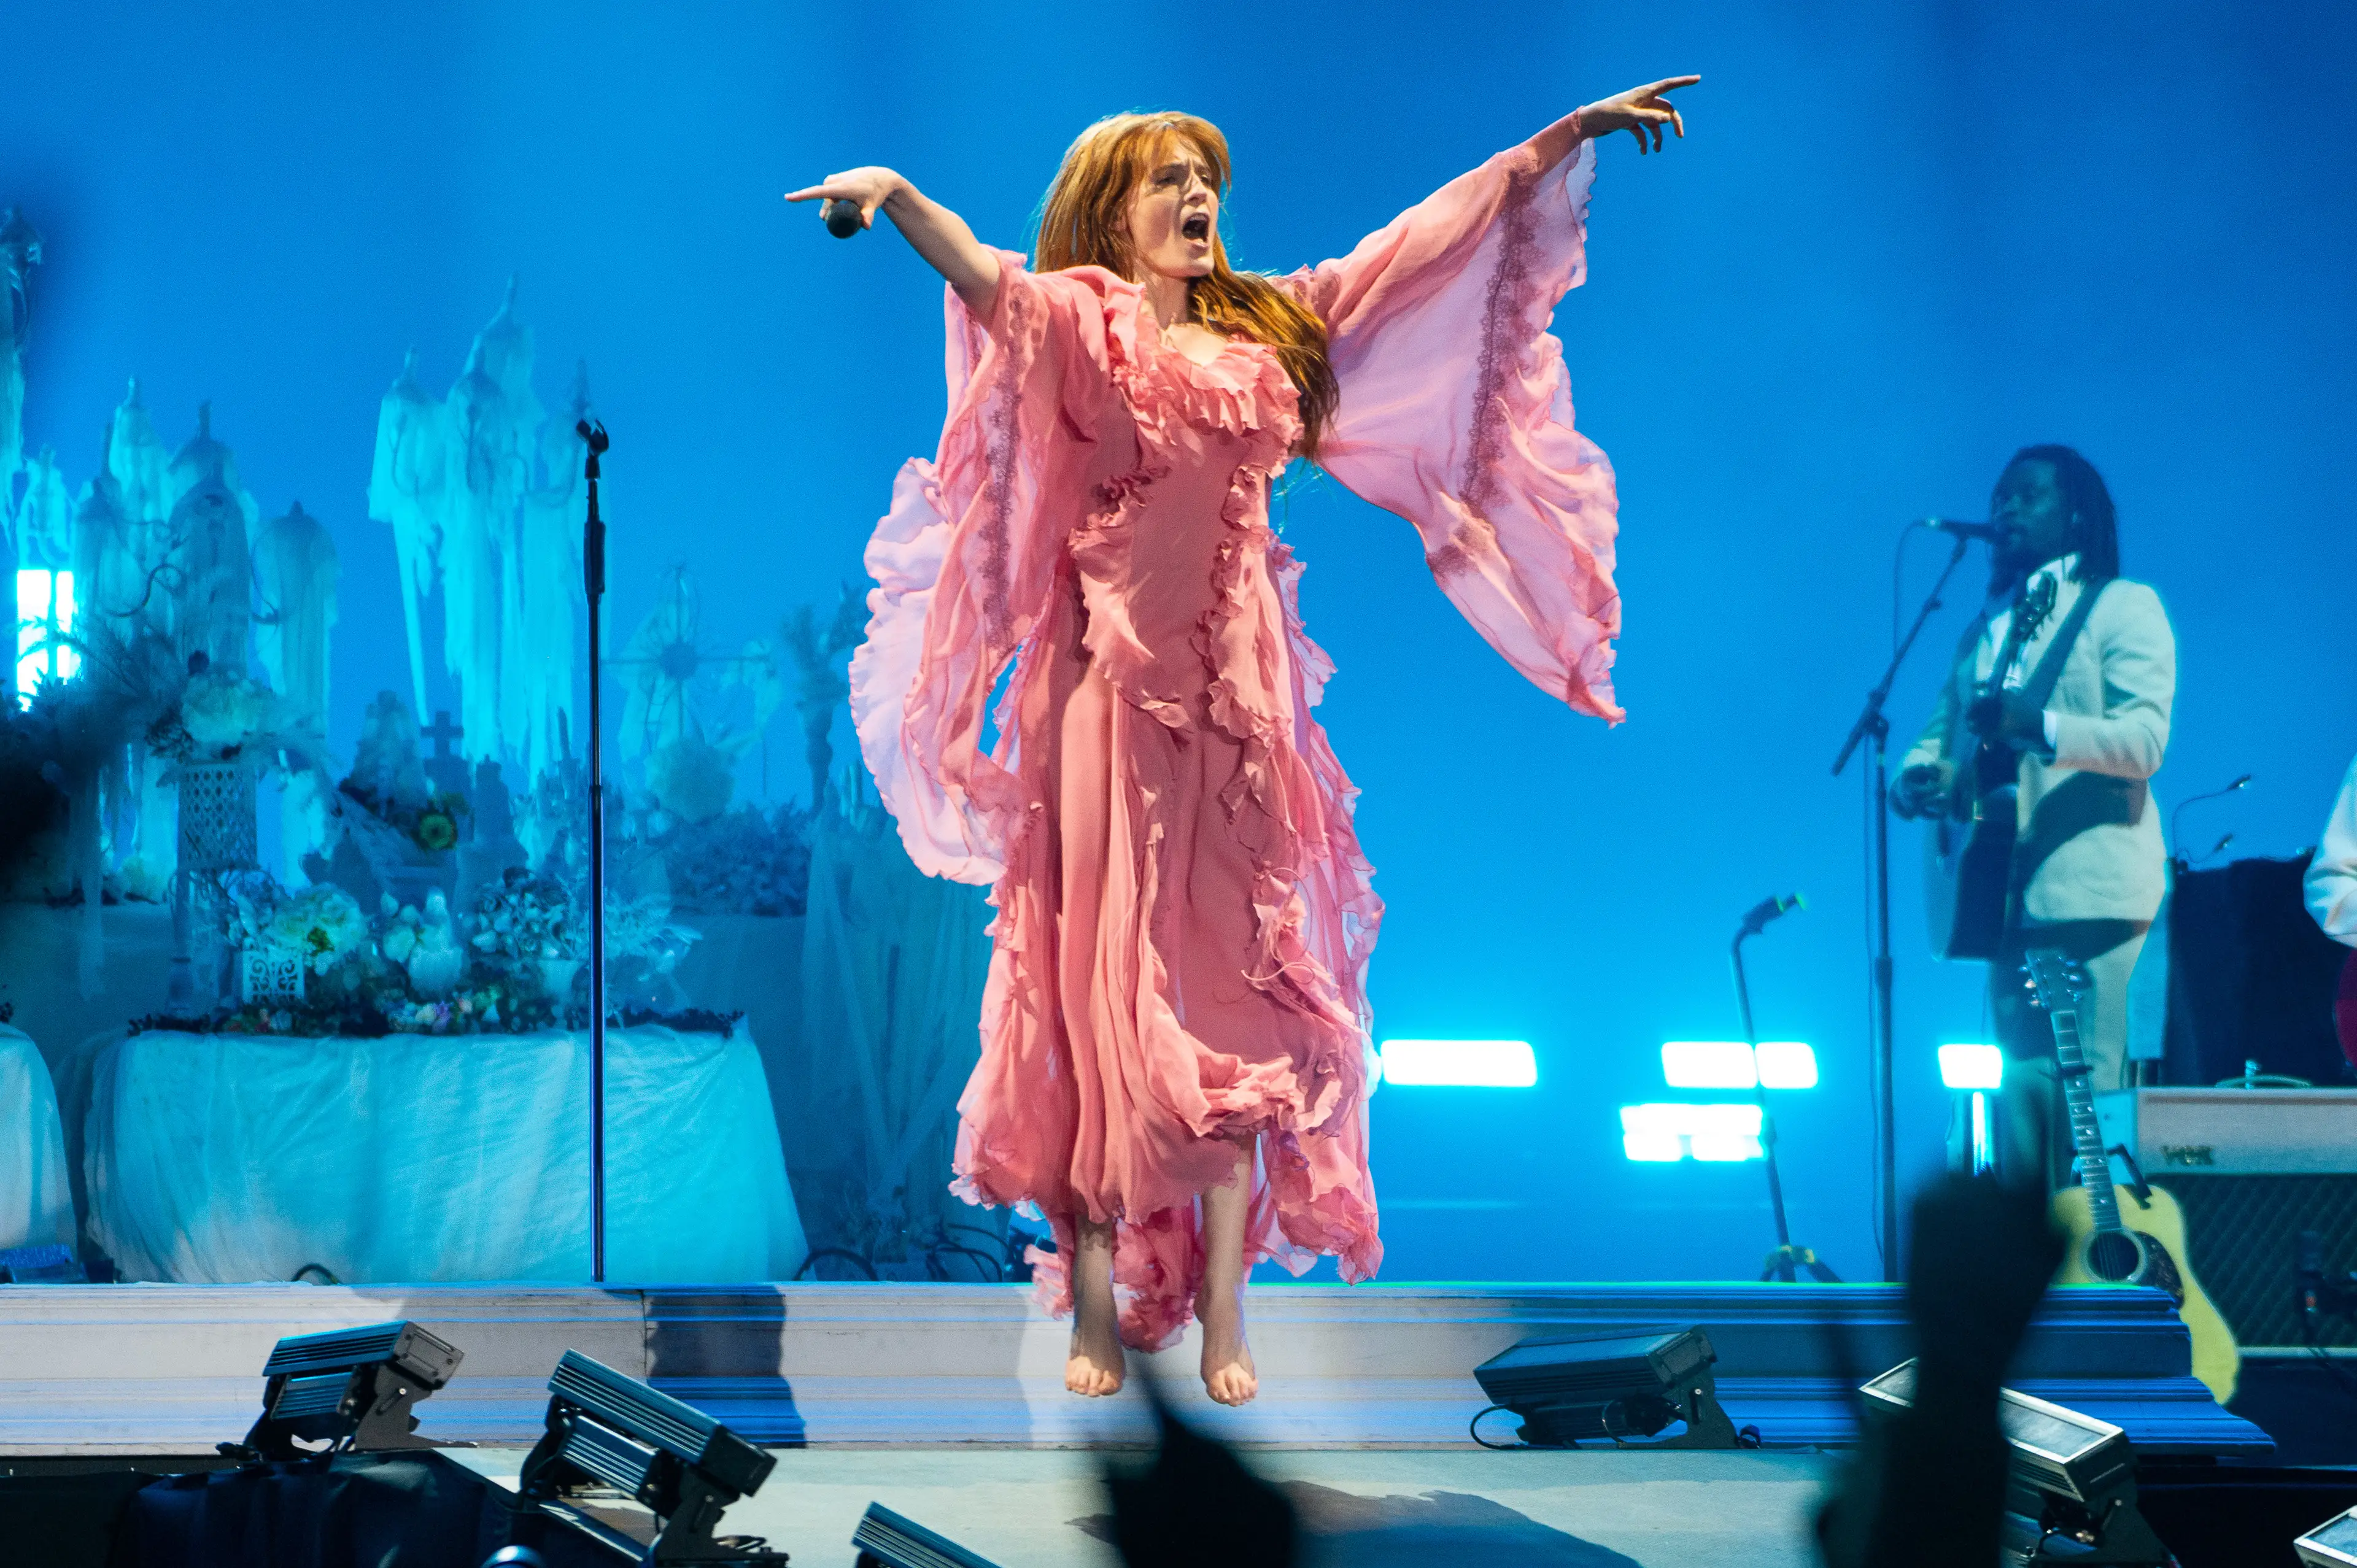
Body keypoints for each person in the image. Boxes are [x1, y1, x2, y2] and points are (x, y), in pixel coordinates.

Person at [789, 77, 1697, 1404]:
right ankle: (1094, 1293)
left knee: (1234, 1004)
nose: (1196, 197)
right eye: (1167, 180)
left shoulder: (1268, 323)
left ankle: (1224, 1299)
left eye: (1204, 177)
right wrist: (899, 196)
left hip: (1243, 720)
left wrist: (1553, 146)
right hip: (1105, 709)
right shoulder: (1081, 328)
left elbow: (1408, 251)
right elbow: (993, 278)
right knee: (1101, 1010)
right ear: (1118, 208)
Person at [1894, 448, 2176, 1193]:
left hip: (2099, 904)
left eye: (2026, 496)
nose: (2005, 512)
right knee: (2023, 1131)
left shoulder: (2123, 605)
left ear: (2075, 511)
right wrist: (1921, 778)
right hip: (2004, 910)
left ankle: (2105, 1291)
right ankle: (2037, 1297)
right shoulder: (1986, 636)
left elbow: (2145, 740)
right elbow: (1940, 738)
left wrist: (2041, 725)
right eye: (1998, 499)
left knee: (2098, 1129)